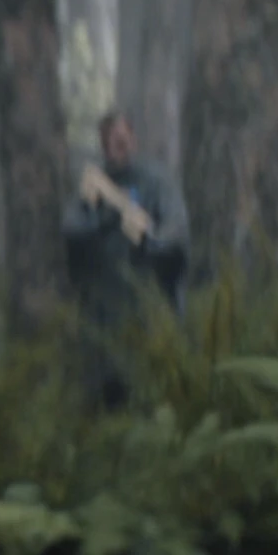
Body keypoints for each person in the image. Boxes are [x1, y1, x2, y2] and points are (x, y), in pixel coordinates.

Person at [63, 112, 189, 409]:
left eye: (123, 140)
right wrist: (104, 220)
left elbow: (175, 231)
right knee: (106, 399)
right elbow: (72, 227)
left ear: (133, 140)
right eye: (112, 142)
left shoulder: (156, 182)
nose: (119, 148)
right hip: (103, 319)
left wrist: (150, 240)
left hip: (148, 311)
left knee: (149, 392)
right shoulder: (95, 186)